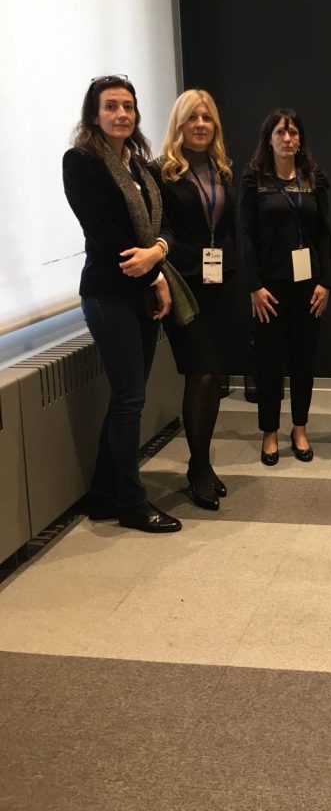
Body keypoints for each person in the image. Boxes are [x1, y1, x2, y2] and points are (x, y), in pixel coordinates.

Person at [62, 75, 195, 533]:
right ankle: (133, 503)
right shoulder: (81, 161)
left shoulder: (141, 166)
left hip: (143, 292)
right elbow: (102, 230)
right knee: (129, 400)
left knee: (127, 399)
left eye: (128, 106)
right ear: (94, 114)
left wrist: (158, 253)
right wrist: (156, 272)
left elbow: (167, 226)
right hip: (108, 294)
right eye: (111, 106)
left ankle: (103, 496)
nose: (121, 114)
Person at [154, 88, 239, 511]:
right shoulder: (162, 173)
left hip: (220, 283)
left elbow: (228, 228)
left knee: (214, 374)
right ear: (179, 124)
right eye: (192, 118)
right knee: (200, 373)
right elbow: (158, 228)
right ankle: (199, 466)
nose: (201, 124)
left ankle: (202, 463)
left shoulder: (222, 170)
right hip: (183, 283)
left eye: (207, 118)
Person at [239, 108, 331, 464]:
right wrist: (254, 286)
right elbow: (245, 234)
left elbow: (324, 232)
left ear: (300, 139)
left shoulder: (313, 177)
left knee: (304, 361)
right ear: (269, 139)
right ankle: (269, 432)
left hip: (309, 288)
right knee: (269, 363)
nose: (287, 139)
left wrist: (326, 282)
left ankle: (300, 428)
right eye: (280, 132)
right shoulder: (254, 179)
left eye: (293, 133)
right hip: (269, 290)